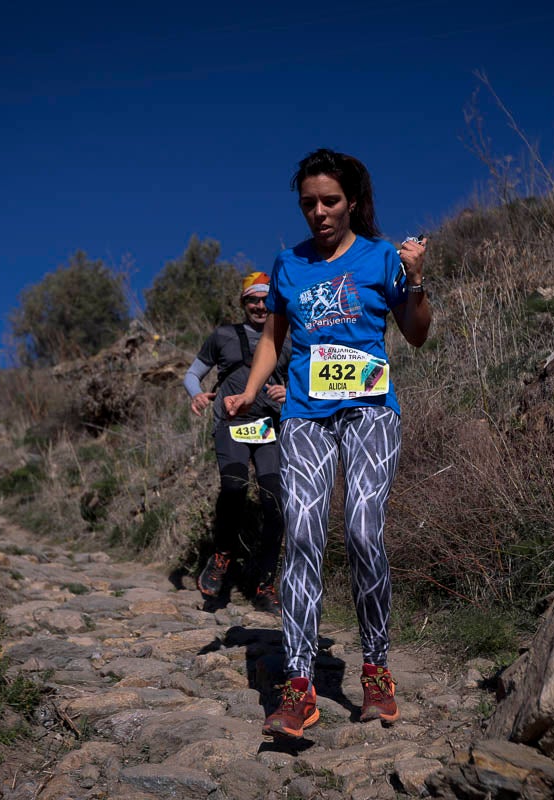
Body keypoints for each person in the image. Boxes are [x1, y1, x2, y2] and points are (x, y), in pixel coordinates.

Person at [224, 149, 431, 738]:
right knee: (304, 532)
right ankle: (298, 687)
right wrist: (251, 390)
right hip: (307, 417)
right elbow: (272, 340)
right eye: (309, 203)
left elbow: (416, 333)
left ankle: (377, 671)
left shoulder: (381, 257)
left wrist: (415, 280)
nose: (318, 212)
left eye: (330, 201)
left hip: (369, 411)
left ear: (353, 203)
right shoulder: (288, 265)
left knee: (364, 530)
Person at [184, 272, 291, 614]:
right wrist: (196, 395)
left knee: (276, 503)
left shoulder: (288, 336)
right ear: (243, 303)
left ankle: (263, 584)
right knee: (234, 487)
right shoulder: (223, 336)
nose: (260, 306)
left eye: (265, 299)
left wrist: (289, 393)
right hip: (231, 424)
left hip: (269, 429)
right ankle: (222, 555)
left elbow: (305, 378)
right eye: (252, 300)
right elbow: (191, 374)